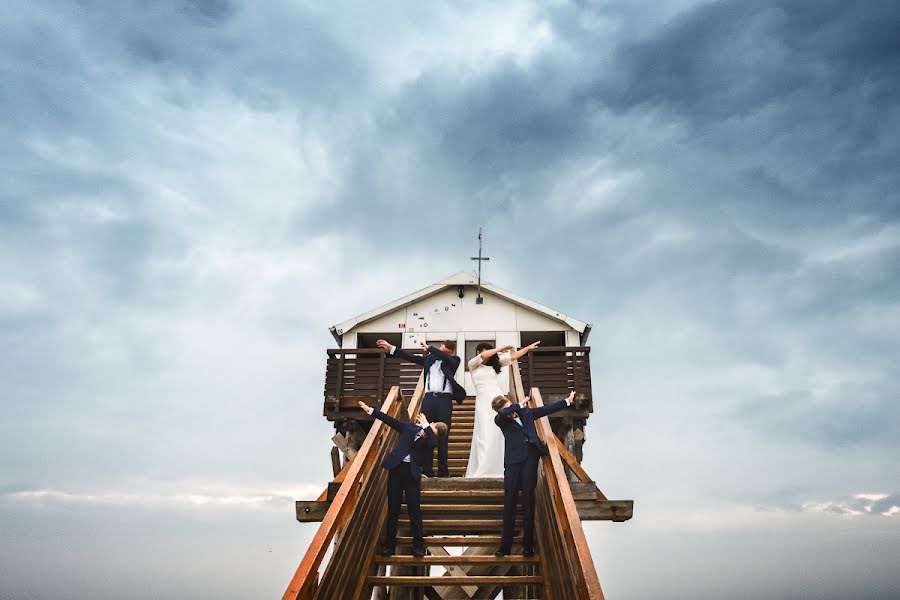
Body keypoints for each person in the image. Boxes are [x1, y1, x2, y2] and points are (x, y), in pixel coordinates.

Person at [358, 400, 448, 557]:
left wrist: (427, 426)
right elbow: (390, 421)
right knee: (393, 509)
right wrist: (371, 410)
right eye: (429, 427)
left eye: (431, 429)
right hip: (397, 469)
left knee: (415, 510)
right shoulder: (409, 428)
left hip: (412, 475)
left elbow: (433, 442)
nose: (427, 430)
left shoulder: (430, 441)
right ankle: (389, 546)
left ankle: (418, 546)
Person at [493, 390, 574, 557]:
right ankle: (505, 546)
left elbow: (546, 410)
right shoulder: (500, 420)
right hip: (513, 463)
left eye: (510, 406)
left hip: (530, 457)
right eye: (507, 408)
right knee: (510, 502)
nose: (513, 411)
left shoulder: (526, 413)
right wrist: (517, 405)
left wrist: (567, 401)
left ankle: (528, 546)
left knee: (529, 500)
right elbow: (506, 413)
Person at [376, 339, 464, 477]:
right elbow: (411, 357)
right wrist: (392, 347)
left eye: (445, 352)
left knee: (443, 435)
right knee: (424, 431)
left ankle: (443, 472)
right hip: (428, 399)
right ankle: (427, 471)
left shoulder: (454, 360)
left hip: (444, 400)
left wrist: (430, 348)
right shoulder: (430, 359)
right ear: (440, 347)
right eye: (441, 350)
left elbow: (444, 358)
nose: (442, 353)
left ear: (451, 352)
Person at [466, 341, 541, 478]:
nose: (489, 355)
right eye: (485, 352)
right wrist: (500, 348)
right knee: (484, 433)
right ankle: (483, 467)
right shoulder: (473, 365)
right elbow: (484, 355)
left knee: (499, 432)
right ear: (477, 353)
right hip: (483, 400)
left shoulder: (495, 364)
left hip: (498, 397)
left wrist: (527, 348)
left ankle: (500, 467)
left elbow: (513, 357)